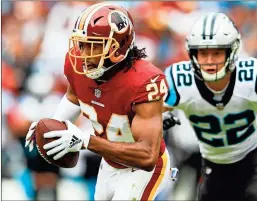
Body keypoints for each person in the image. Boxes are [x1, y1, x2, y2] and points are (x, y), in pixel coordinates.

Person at [25, 3, 172, 200]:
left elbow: (147, 156)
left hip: (142, 170)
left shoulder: (145, 80)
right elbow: (74, 96)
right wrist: (54, 124)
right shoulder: (78, 64)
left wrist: (86, 140)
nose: (84, 54)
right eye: (83, 44)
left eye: (93, 45)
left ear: (116, 47)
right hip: (110, 162)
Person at [163, 12, 257, 201]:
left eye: (217, 52)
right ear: (193, 53)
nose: (209, 61)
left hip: (255, 159)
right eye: (203, 52)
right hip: (214, 164)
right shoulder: (179, 81)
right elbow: (145, 114)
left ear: (231, 52)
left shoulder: (251, 77)